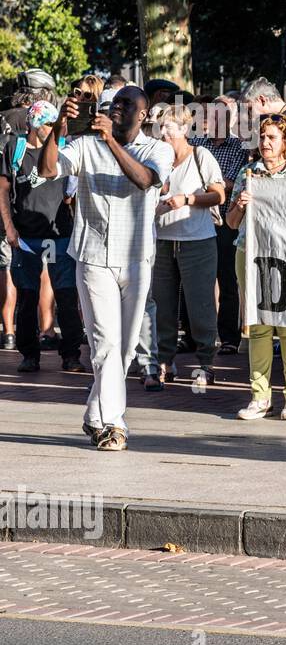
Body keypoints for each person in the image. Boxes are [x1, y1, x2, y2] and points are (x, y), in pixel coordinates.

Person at [39, 86, 175, 451]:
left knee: (126, 349)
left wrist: (110, 143)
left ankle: (94, 415)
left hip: (137, 257)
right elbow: (47, 168)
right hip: (93, 256)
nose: (116, 108)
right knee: (104, 345)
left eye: (126, 104)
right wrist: (60, 124)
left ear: (143, 114)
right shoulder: (86, 145)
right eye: (113, 103)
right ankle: (114, 425)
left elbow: (146, 180)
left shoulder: (158, 149)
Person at [224, 114, 286, 421]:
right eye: (262, 137)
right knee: (258, 326)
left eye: (272, 137)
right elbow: (231, 223)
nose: (265, 143)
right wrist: (240, 205)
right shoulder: (248, 172)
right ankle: (260, 396)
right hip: (249, 253)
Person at [0, 100, 83, 373]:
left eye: (55, 123)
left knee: (67, 296)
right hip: (26, 236)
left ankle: (70, 355)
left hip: (59, 234)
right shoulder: (16, 148)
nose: (53, 128)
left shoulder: (64, 147)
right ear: (35, 123)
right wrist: (9, 228)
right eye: (48, 123)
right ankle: (29, 354)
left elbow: (73, 191)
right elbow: (3, 188)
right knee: (27, 297)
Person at [150, 104, 225, 387]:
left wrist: (188, 199)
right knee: (163, 304)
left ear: (184, 128)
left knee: (200, 305)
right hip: (162, 240)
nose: (163, 132)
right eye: (160, 127)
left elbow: (218, 194)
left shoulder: (200, 156)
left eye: (168, 126)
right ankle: (164, 361)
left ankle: (206, 362)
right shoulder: (156, 158)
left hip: (197, 241)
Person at [191, 96, 249, 355]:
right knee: (195, 280)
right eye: (210, 116)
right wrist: (212, 185)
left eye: (220, 117)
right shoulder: (196, 144)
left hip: (226, 220)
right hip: (198, 217)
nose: (213, 121)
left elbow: (233, 183)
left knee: (227, 279)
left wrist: (206, 186)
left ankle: (228, 337)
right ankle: (195, 335)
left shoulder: (238, 147)